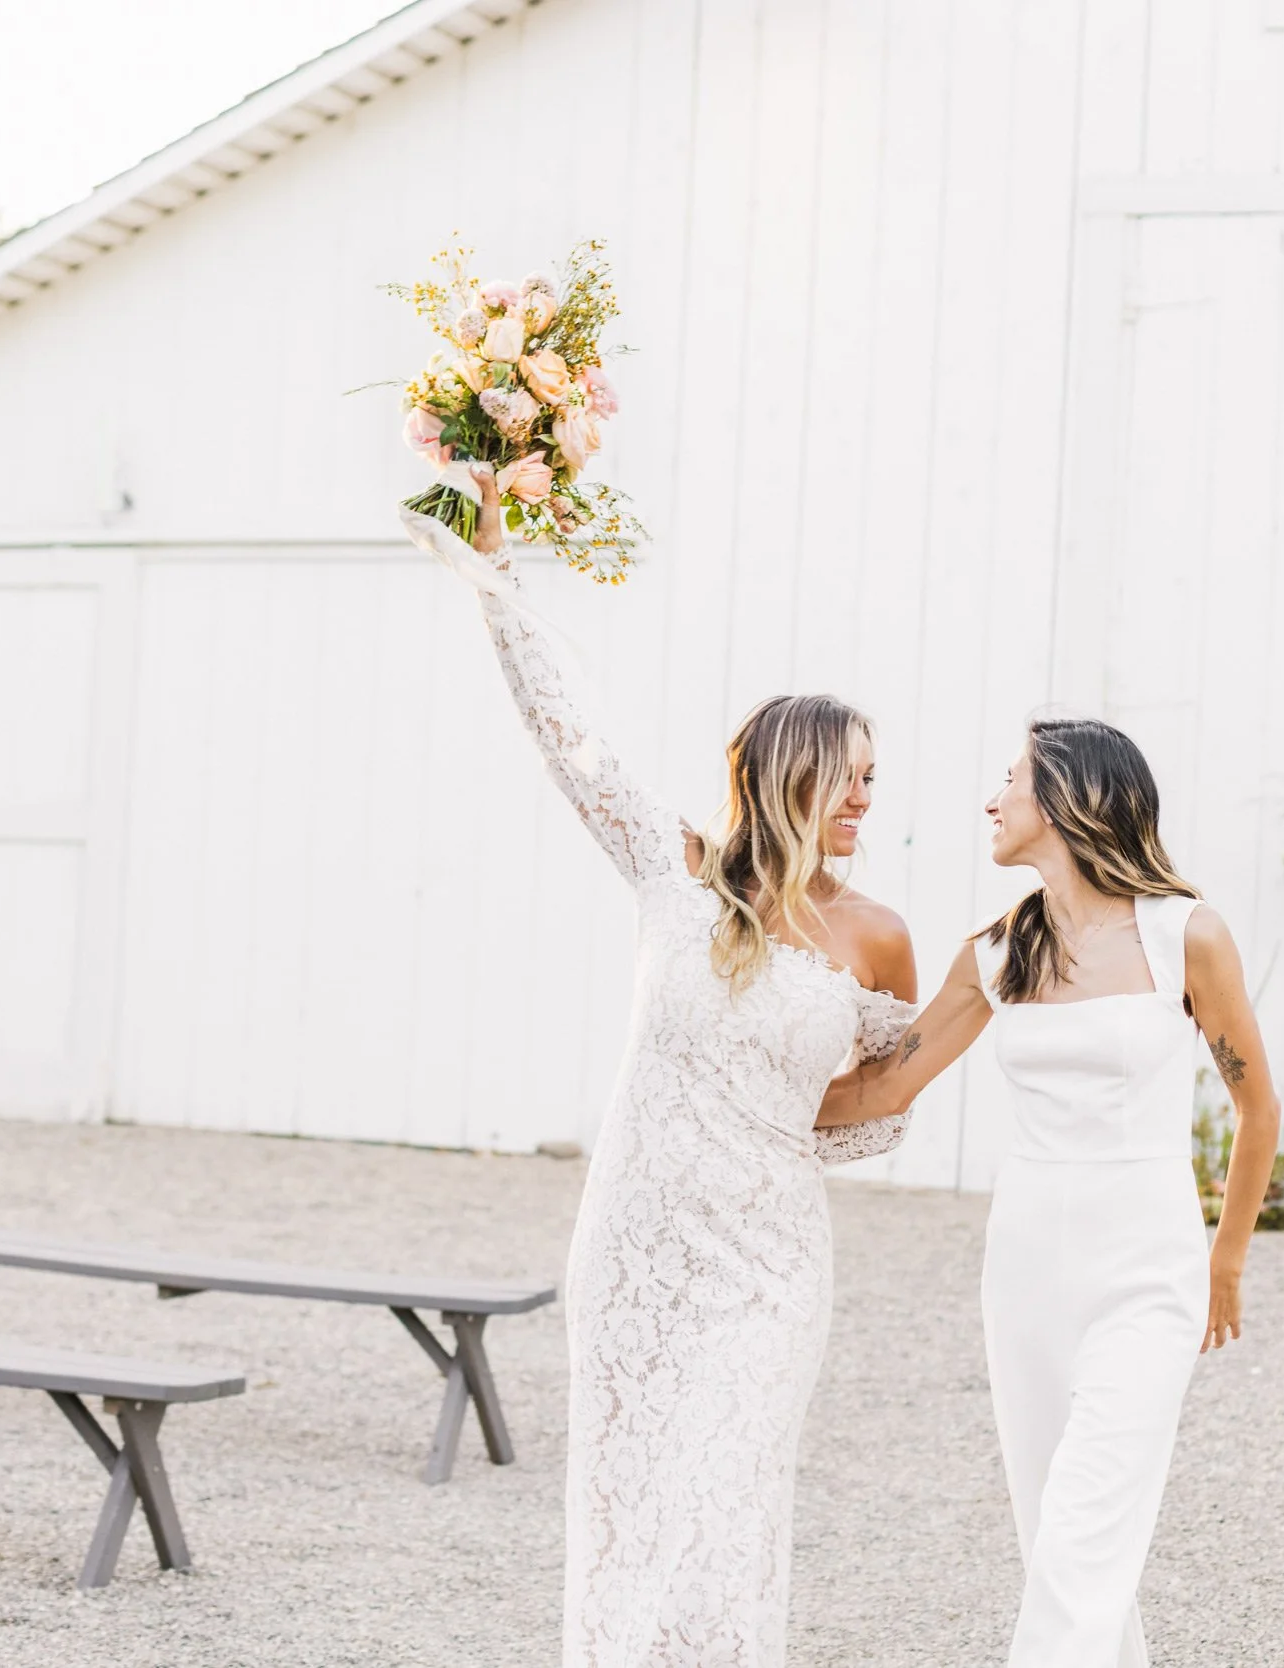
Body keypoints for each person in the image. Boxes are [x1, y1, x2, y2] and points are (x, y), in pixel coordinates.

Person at [402, 466, 919, 1668]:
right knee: (630, 1508)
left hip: (768, 1268)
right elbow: (566, 740)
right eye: (847, 773)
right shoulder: (675, 875)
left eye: (872, 778)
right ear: (787, 773)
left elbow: (867, 1104)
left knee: (727, 1504)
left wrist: (949, 1025)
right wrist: (494, 572)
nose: (864, 795)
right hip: (636, 1250)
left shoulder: (877, 935)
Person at [817, 717, 1282, 1668]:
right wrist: (733, 1108)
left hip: (1148, 1269)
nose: (992, 800)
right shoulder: (995, 951)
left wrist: (1225, 1262)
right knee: (1058, 1540)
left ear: (1073, 798)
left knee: (1083, 1532)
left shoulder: (1185, 935)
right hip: (1025, 1270)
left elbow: (1257, 1107)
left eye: (1012, 780)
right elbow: (884, 1088)